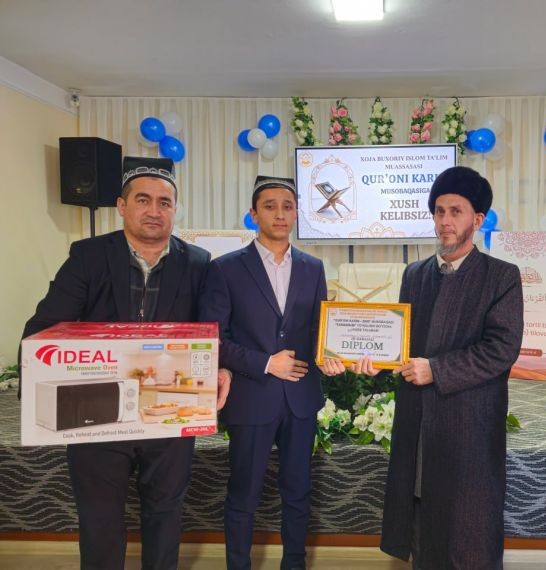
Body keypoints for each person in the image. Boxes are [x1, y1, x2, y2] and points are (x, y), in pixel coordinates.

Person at [21, 156, 230, 570]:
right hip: (96, 414)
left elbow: (211, 331)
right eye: (143, 200)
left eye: (165, 202)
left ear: (175, 210)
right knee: (99, 517)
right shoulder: (88, 256)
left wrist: (219, 367)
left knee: (165, 511)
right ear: (121, 205)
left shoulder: (198, 263)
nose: (154, 210)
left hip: (169, 410)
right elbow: (43, 329)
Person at [377, 166, 524, 569]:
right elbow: (400, 342)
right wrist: (375, 360)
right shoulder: (415, 274)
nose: (445, 221)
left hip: (468, 424)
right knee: (421, 514)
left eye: (456, 212)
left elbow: (502, 348)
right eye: (439, 211)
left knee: (467, 526)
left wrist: (437, 370)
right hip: (419, 420)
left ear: (477, 219)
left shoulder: (501, 277)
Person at [199, 175, 328, 570]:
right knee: (244, 493)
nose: (279, 214)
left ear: (297, 213)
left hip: (300, 398)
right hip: (252, 398)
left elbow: (319, 331)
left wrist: (334, 354)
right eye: (270, 206)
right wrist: (267, 363)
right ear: (253, 214)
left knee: (297, 491)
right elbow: (213, 339)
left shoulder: (313, 267)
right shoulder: (225, 269)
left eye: (287, 206)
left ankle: (295, 563)